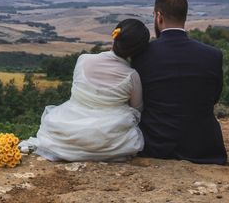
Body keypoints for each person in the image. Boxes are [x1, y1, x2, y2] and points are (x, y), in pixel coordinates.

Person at [20, 18, 149, 162]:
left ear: (115, 36)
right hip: (108, 139)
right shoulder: (132, 76)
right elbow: (137, 109)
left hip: (67, 128)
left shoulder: (83, 60)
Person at [132, 0, 227, 164]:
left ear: (158, 16)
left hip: (154, 147)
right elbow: (213, 98)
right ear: (184, 16)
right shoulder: (213, 55)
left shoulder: (141, 56)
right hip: (203, 149)